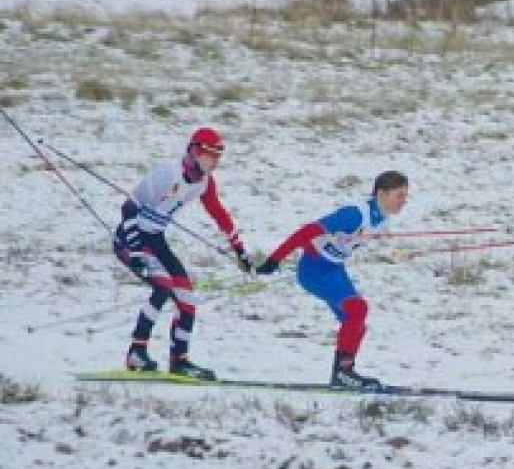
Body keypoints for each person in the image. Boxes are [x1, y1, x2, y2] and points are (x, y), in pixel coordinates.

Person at [113, 127, 252, 380]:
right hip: (130, 237)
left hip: (155, 239)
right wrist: (135, 254)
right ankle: (137, 351)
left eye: (218, 157)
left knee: (186, 298)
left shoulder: (204, 182)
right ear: (195, 151)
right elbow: (128, 209)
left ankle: (180, 361)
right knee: (162, 286)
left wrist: (239, 251)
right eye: (211, 156)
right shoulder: (167, 173)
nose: (215, 162)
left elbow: (219, 214)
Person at [254, 171, 409, 392]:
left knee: (356, 320)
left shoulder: (381, 217)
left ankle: (344, 372)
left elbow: (365, 235)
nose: (403, 202)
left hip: (335, 268)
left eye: (404, 196)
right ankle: (342, 374)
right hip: (314, 268)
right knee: (357, 308)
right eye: (399, 196)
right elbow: (306, 232)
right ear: (381, 194)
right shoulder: (354, 214)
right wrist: (275, 259)